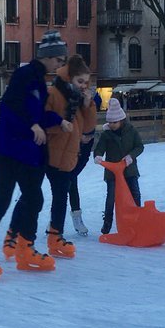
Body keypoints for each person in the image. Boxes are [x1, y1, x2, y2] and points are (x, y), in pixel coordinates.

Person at [0, 31, 71, 280]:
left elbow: (37, 115)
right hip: (10, 149)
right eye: (59, 59)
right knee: (3, 199)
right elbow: (10, 107)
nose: (61, 64)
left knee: (34, 199)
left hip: (29, 153)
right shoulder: (25, 75)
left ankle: (25, 249)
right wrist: (32, 126)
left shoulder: (40, 82)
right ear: (48, 57)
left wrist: (59, 121)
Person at [44, 55, 97, 257]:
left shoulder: (78, 98)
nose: (84, 85)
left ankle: (55, 236)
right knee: (55, 196)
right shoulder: (54, 93)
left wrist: (88, 105)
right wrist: (61, 124)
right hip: (52, 155)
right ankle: (47, 237)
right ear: (69, 78)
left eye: (86, 82)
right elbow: (44, 119)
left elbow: (89, 127)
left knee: (60, 196)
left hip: (71, 155)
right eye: (80, 81)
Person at [94, 97, 145, 236]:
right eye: (109, 122)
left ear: (121, 120)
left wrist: (131, 157)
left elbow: (140, 147)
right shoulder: (106, 135)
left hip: (130, 170)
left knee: (135, 194)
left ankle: (137, 221)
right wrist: (98, 156)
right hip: (112, 173)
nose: (111, 124)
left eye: (114, 122)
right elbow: (99, 148)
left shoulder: (132, 131)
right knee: (111, 198)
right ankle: (107, 223)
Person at [68, 80, 100, 236]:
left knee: (70, 182)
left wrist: (87, 137)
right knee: (67, 184)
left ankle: (62, 220)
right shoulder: (71, 108)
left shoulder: (91, 110)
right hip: (67, 151)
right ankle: (65, 220)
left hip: (81, 152)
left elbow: (90, 130)